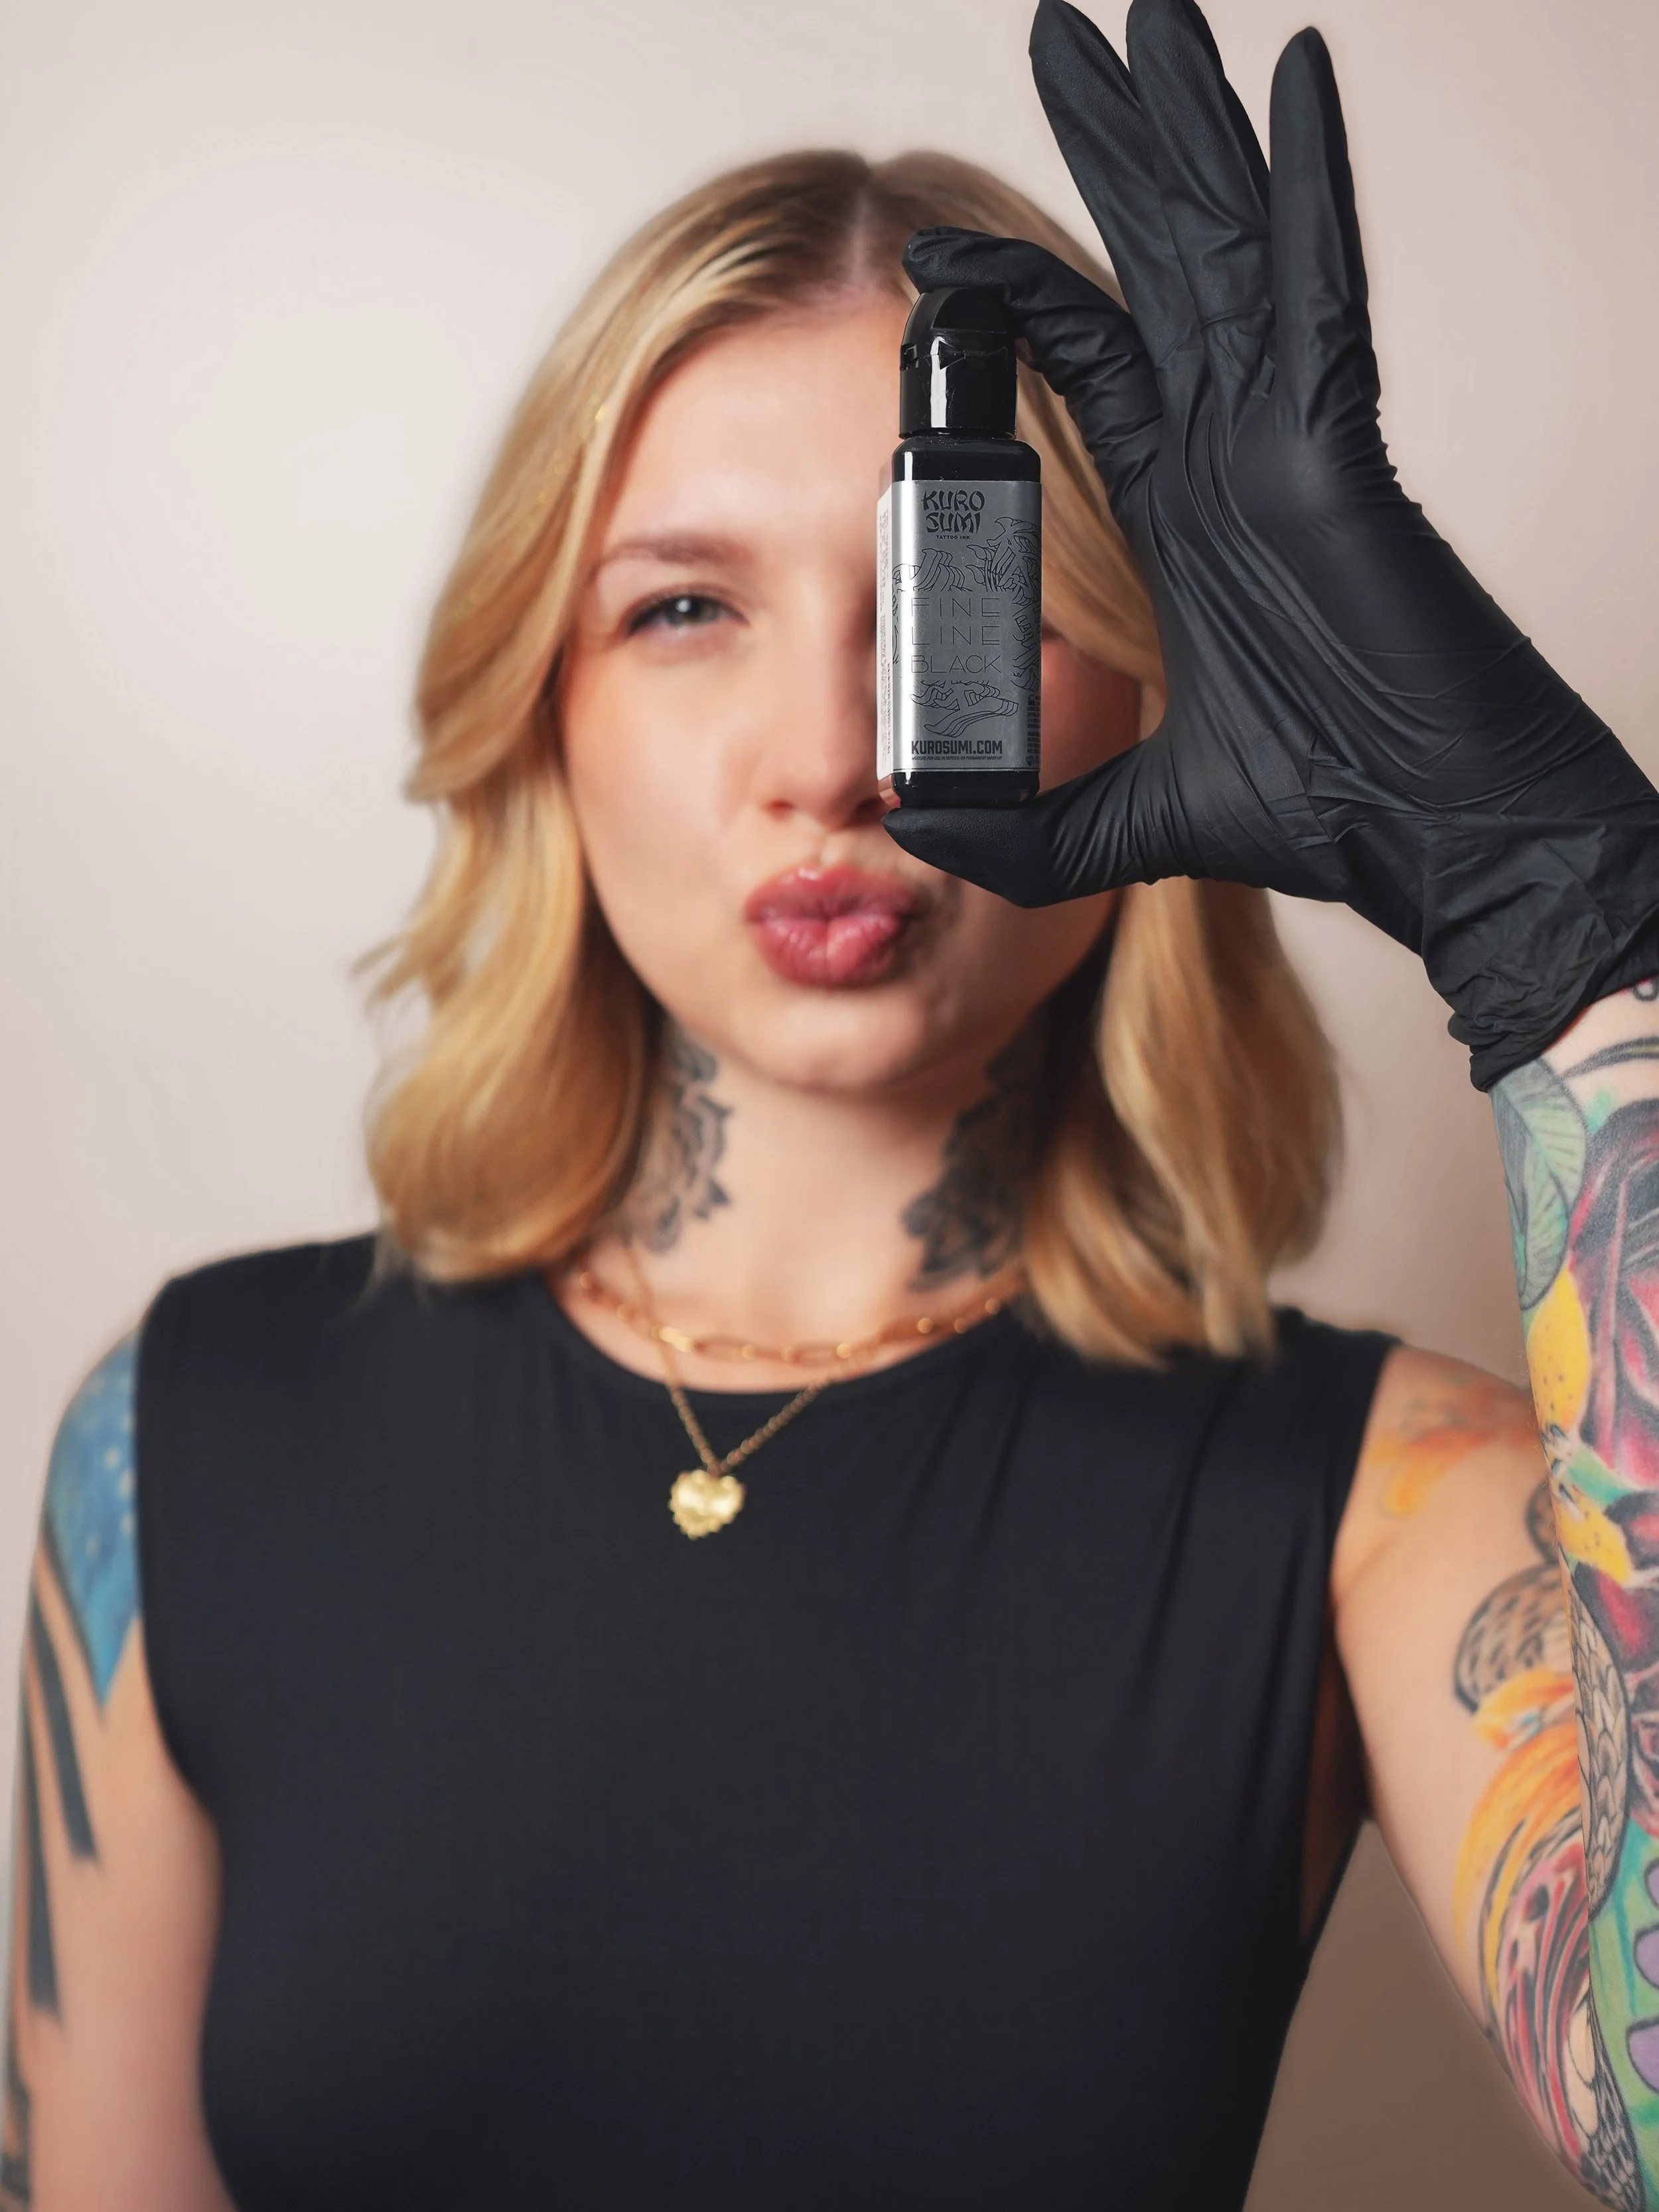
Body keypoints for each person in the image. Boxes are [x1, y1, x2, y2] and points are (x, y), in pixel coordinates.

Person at [7, 0, 1658, 2205]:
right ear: (541, 707)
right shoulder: (184, 1436)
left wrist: (1556, 906)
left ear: (1175, 689)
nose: (835, 751)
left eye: (949, 604)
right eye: (684, 604)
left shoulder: (1389, 1497)